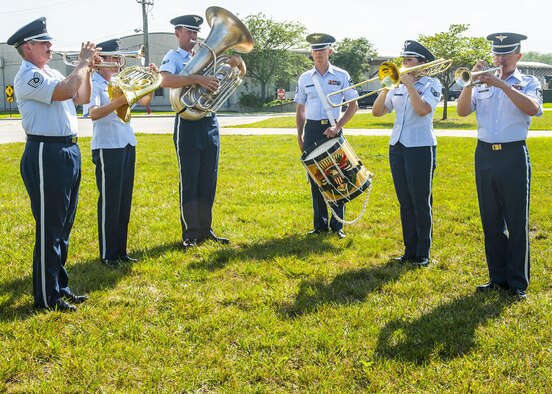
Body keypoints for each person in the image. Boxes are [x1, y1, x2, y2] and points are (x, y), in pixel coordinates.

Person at [7, 17, 97, 311]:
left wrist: (88, 70)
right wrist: (82, 63)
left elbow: (80, 97)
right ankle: (46, 297)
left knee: (64, 224)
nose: (50, 46)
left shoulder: (53, 71)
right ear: (28, 47)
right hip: (45, 151)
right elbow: (64, 92)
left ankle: (59, 285)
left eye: (49, 42)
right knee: (50, 227)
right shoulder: (28, 76)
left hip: (68, 150)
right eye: (44, 42)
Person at [456, 32, 543, 300]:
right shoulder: (479, 83)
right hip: (484, 154)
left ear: (518, 56)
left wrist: (502, 84)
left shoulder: (529, 81)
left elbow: (532, 109)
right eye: (497, 54)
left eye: (506, 54)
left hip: (513, 153)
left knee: (516, 219)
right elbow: (461, 111)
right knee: (490, 218)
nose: (501, 59)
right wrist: (471, 81)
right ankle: (497, 277)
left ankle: (517, 282)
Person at [83, 39, 157, 267]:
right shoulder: (93, 82)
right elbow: (93, 114)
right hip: (107, 146)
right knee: (109, 201)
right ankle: (107, 253)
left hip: (126, 143)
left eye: (118, 58)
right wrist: (121, 101)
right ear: (100, 60)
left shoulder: (119, 81)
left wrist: (151, 83)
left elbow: (144, 100)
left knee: (124, 200)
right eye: (113, 58)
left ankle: (121, 251)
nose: (117, 62)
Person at [159, 14, 230, 248]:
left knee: (208, 178)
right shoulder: (173, 56)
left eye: (195, 32)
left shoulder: (206, 57)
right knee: (190, 178)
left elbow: (219, 80)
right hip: (187, 122)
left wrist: (216, 80)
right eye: (189, 32)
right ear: (177, 33)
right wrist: (198, 79)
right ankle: (190, 233)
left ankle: (206, 229)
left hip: (209, 120)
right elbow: (165, 81)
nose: (193, 37)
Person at [372, 40, 443, 267]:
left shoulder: (432, 84)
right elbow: (377, 112)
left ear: (421, 64)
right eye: (403, 60)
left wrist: (410, 85)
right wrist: (386, 87)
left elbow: (422, 110)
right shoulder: (397, 86)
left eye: (409, 60)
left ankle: (423, 251)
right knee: (405, 200)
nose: (403, 64)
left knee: (420, 200)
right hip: (398, 146)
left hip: (420, 147)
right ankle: (409, 250)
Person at [294, 33, 359, 239]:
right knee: (316, 178)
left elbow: (353, 105)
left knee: (338, 177)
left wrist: (338, 126)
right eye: (315, 50)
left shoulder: (341, 75)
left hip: (333, 128)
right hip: (312, 130)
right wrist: (299, 135)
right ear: (311, 53)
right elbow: (300, 109)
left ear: (330, 51)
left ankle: (337, 225)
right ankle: (319, 224)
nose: (318, 53)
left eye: (322, 50)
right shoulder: (305, 78)